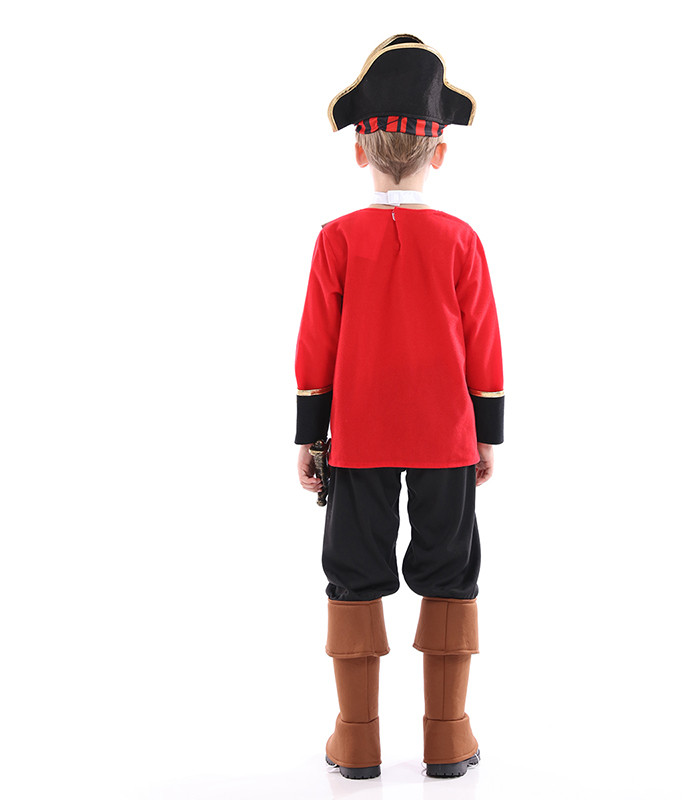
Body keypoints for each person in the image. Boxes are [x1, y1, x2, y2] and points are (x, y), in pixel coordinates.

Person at [293, 34, 504, 780]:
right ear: (438, 153)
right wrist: (485, 436)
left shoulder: (336, 240)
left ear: (361, 152)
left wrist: (309, 437)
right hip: (447, 438)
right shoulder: (461, 240)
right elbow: (484, 345)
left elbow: (315, 346)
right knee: (450, 572)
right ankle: (447, 735)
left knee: (353, 573)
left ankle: (357, 739)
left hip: (357, 437)